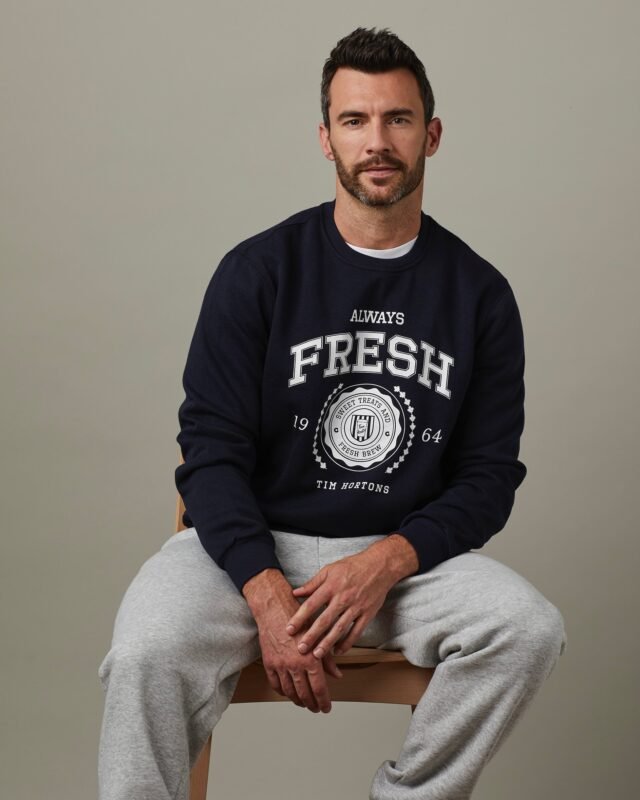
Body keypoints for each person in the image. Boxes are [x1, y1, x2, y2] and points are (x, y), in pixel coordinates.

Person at [97, 26, 567, 800]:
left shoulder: (478, 294)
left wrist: (384, 564)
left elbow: (487, 479)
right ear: (326, 139)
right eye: (355, 120)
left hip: (400, 564)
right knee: (147, 647)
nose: (376, 142)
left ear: (431, 135)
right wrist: (264, 590)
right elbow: (209, 453)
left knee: (527, 628)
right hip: (244, 555)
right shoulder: (257, 271)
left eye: (397, 119)